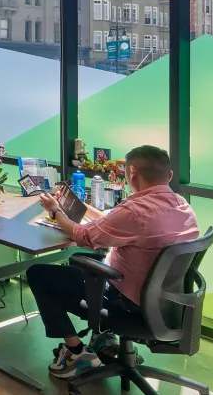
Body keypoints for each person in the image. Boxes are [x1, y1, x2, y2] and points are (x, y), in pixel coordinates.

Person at [27, 145, 199, 379]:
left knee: (39, 273)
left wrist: (56, 211)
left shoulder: (136, 210)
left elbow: (83, 236)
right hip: (166, 306)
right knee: (82, 263)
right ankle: (104, 340)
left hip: (128, 307)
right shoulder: (183, 206)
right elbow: (111, 222)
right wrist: (81, 206)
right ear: (169, 176)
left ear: (133, 172)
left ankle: (76, 352)